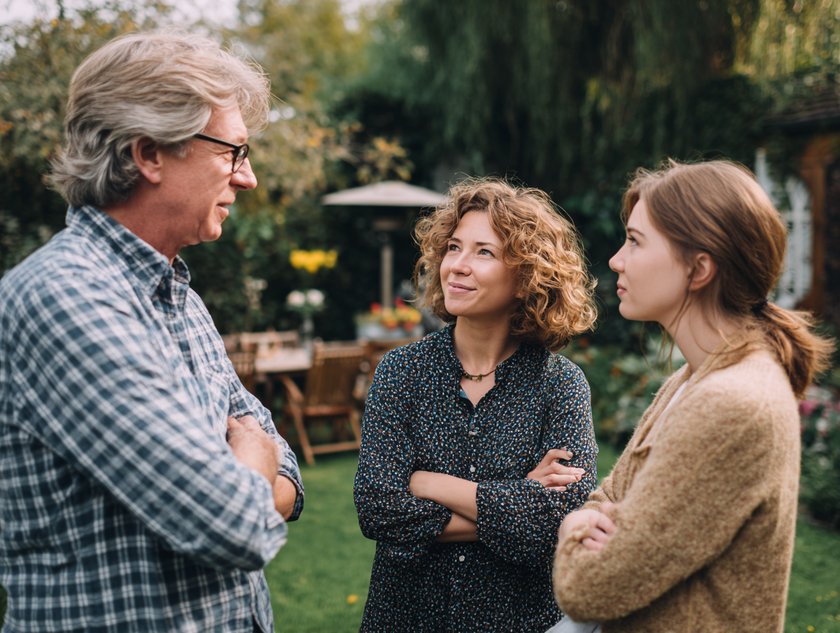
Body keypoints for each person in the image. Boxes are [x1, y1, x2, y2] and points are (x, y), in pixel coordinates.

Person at [0, 32, 304, 632]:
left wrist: (249, 464)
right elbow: (230, 524)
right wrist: (250, 459)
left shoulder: (178, 297)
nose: (249, 179)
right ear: (149, 154)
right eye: (233, 152)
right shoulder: (68, 298)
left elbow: (286, 470)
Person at [551, 159, 833, 633]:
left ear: (699, 268)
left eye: (636, 241)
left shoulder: (732, 404)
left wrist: (570, 530)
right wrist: (594, 522)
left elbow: (590, 588)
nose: (617, 259)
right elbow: (608, 496)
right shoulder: (692, 379)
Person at [354, 178, 599, 632]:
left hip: (518, 619)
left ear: (527, 276)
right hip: (406, 618)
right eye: (452, 247)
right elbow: (378, 508)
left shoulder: (560, 385)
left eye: (483, 252)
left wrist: (427, 483)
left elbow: (562, 519)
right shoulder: (401, 372)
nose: (457, 267)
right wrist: (516, 498)